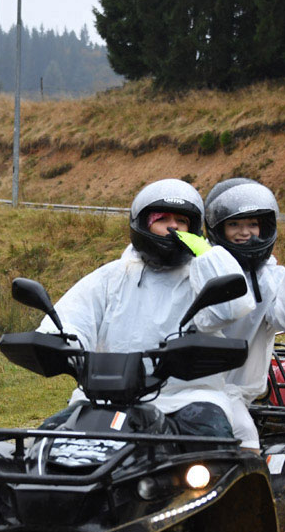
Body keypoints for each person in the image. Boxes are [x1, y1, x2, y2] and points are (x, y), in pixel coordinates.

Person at [36, 178, 252, 438]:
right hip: (104, 397)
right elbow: (71, 319)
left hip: (186, 398)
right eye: (164, 219)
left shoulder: (201, 275)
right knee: (43, 444)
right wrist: (57, 341)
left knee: (214, 446)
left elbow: (230, 309)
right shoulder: (112, 276)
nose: (174, 226)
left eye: (182, 221)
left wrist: (208, 254)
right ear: (143, 223)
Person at [205, 181, 285, 449]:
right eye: (234, 225)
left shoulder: (269, 277)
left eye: (252, 224)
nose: (245, 233)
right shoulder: (201, 267)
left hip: (233, 395)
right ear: (219, 228)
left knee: (247, 447)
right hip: (187, 389)